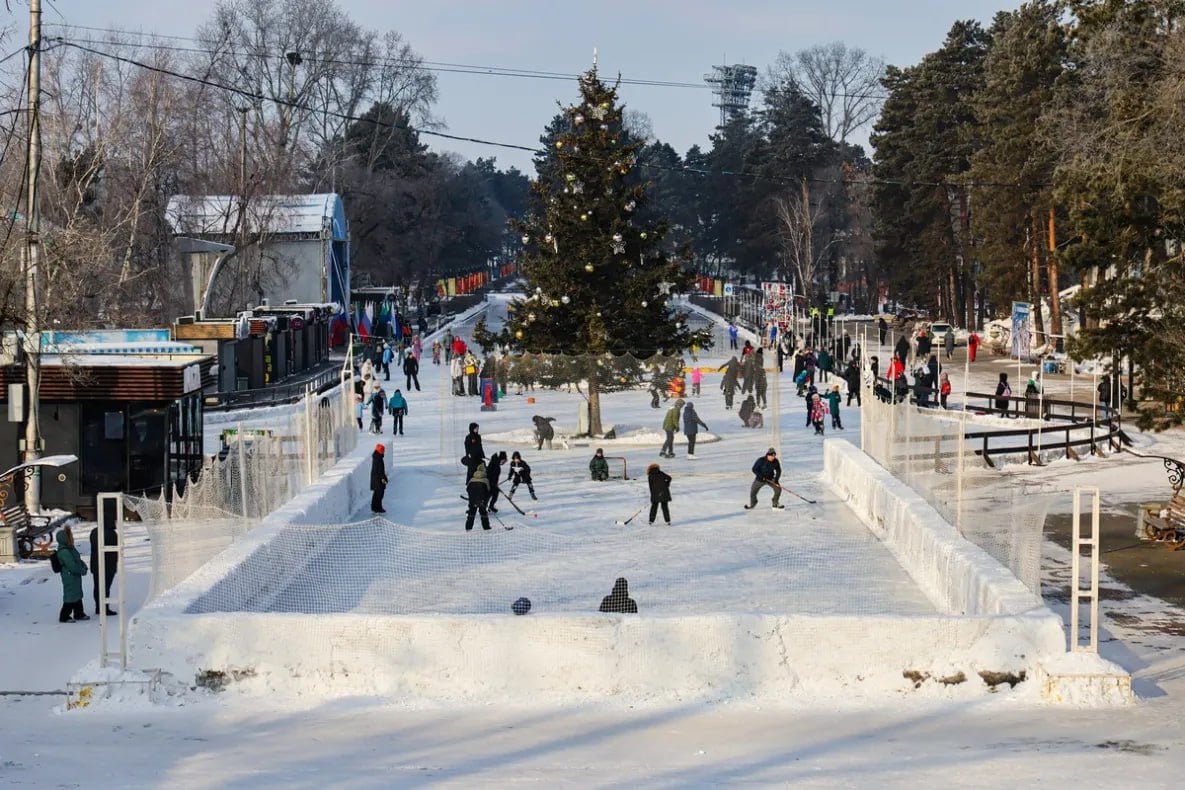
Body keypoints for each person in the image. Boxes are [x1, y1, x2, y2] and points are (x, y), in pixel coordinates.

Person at [55, 529, 89, 623]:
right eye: (70, 537)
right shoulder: (64, 552)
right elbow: (72, 565)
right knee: (70, 595)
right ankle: (64, 616)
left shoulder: (70, 548)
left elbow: (77, 559)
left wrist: (83, 566)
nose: (72, 538)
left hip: (74, 576)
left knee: (77, 594)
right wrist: (82, 570)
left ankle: (79, 613)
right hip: (69, 576)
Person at [88, 520, 118, 616]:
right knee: (105, 587)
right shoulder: (112, 534)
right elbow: (114, 551)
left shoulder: (94, 532)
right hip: (108, 565)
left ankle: (98, 607)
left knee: (97, 586)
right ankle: (104, 608)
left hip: (96, 564)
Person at [465, 461, 492, 531]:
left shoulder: (471, 479)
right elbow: (488, 491)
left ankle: (468, 528)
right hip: (482, 500)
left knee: (471, 513)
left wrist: (471, 497)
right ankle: (486, 528)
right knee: (483, 513)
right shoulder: (486, 480)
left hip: (472, 500)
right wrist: (486, 500)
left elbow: (468, 489)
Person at [370, 443, 388, 513]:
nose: (384, 452)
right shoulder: (379, 459)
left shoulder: (376, 457)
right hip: (378, 480)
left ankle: (375, 507)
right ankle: (377, 507)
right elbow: (380, 471)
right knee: (379, 494)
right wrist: (384, 479)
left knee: (377, 494)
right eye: (383, 451)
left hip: (375, 479)